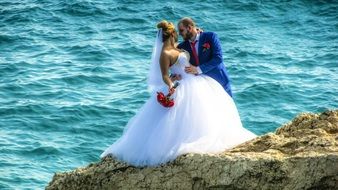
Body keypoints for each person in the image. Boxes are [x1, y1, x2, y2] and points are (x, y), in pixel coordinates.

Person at [100, 21, 256, 167]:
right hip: (185, 85)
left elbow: (189, 48)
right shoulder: (165, 53)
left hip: (197, 80)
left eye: (181, 31)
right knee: (186, 117)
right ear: (172, 34)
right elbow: (164, 75)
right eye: (177, 32)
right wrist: (171, 83)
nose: (179, 34)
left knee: (205, 112)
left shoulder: (178, 46)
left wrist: (197, 33)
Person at [177, 17, 233, 97]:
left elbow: (218, 58)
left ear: (189, 28)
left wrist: (198, 69)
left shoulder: (210, 37)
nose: (180, 34)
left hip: (219, 80)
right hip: (201, 86)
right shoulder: (182, 46)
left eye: (181, 30)